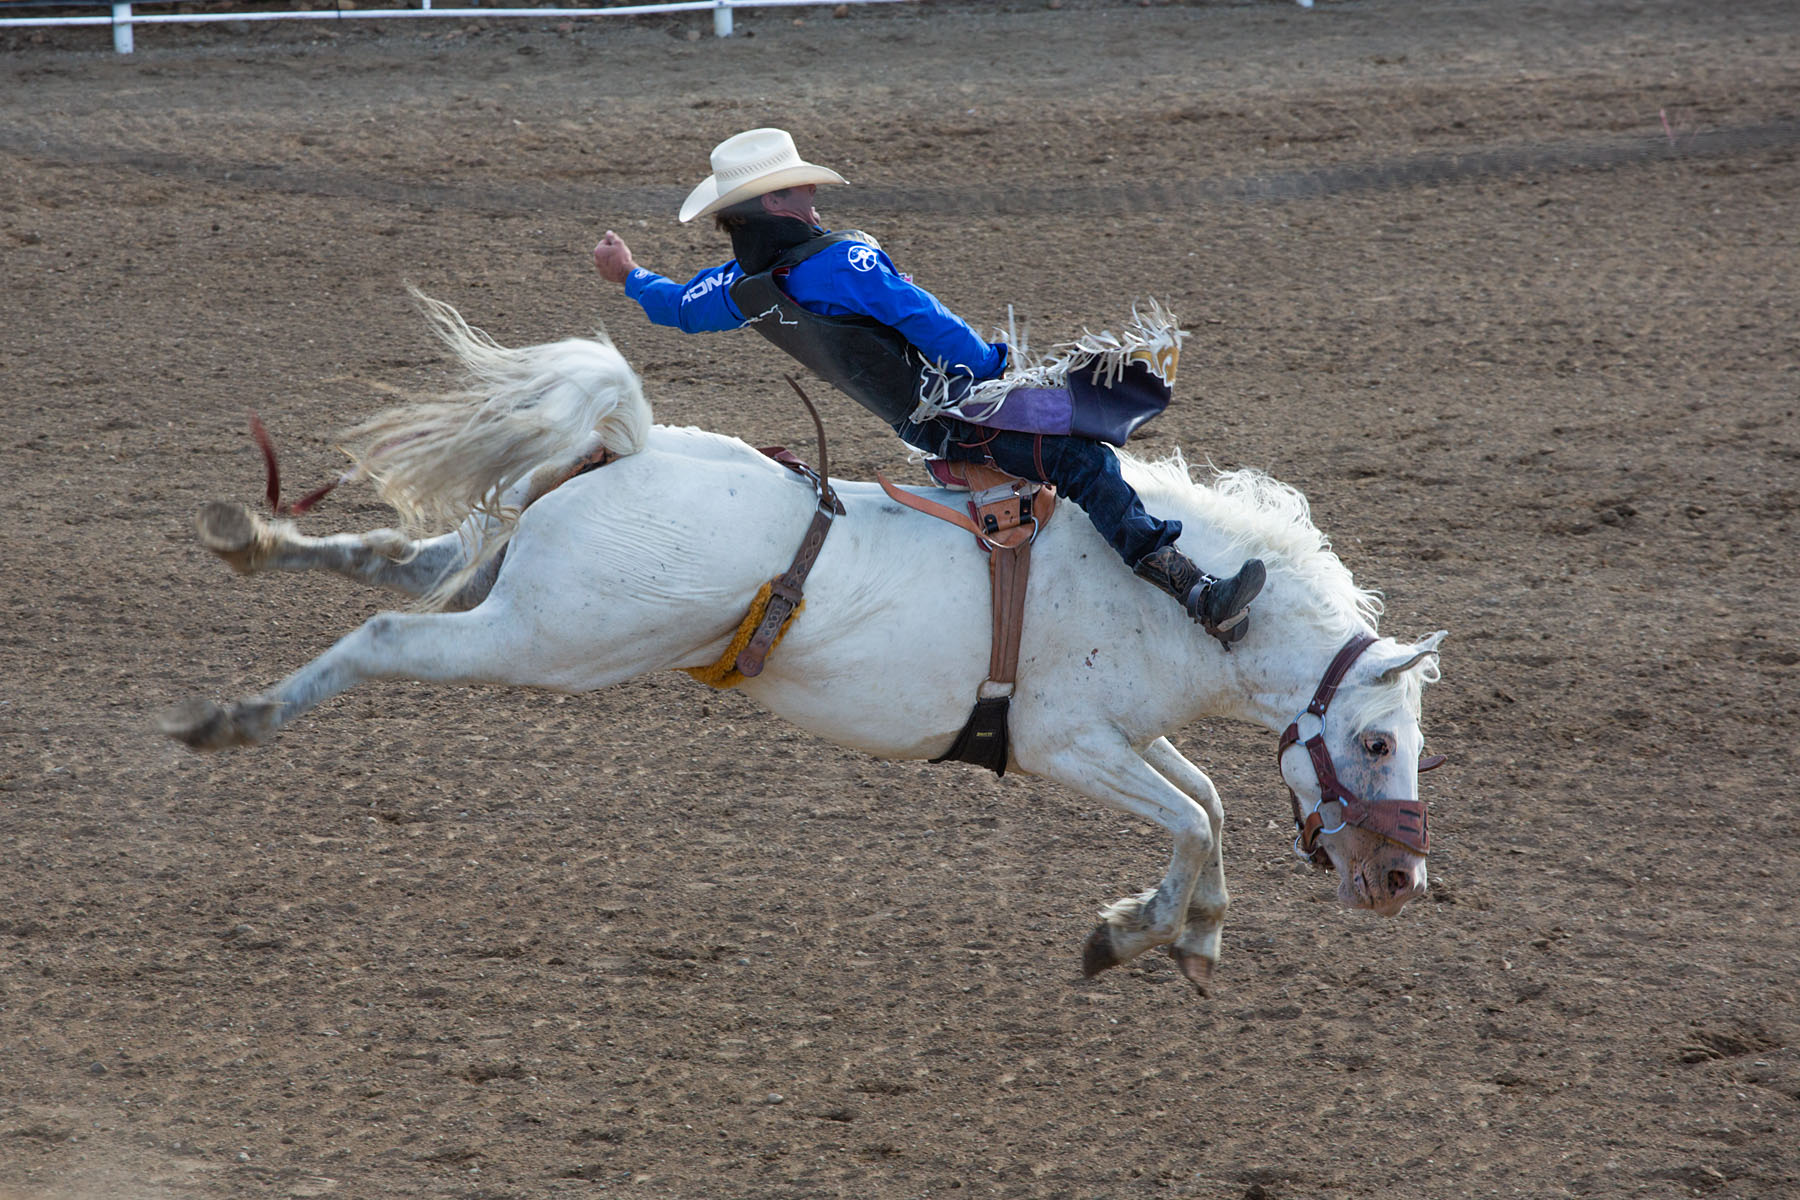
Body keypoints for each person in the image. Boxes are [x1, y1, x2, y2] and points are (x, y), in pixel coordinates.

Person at [592, 128, 1263, 646]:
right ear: (775, 202)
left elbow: (678, 307)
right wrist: (995, 371)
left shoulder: (738, 290)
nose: (813, 199)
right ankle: (1196, 593)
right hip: (962, 407)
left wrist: (627, 274)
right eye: (800, 191)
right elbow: (926, 321)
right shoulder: (844, 262)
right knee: (1085, 462)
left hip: (915, 419)